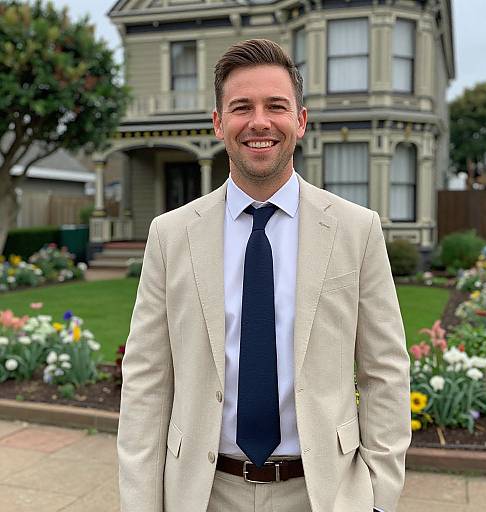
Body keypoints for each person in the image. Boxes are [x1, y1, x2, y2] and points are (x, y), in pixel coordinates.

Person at [117, 39, 411, 512]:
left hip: (324, 494)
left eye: (276, 106)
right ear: (218, 123)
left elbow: (385, 373)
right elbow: (146, 382)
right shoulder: (170, 235)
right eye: (241, 107)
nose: (259, 122)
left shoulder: (357, 230)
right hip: (202, 492)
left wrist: (379, 497)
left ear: (300, 120)